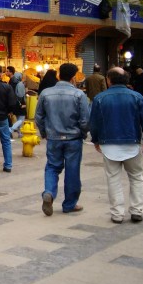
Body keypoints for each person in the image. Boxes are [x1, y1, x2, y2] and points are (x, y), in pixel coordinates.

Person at [89, 67, 143, 224]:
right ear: (127, 80)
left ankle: (117, 213)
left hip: (108, 144)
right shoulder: (136, 97)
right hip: (132, 143)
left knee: (113, 179)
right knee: (137, 177)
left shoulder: (99, 98)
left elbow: (94, 123)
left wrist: (96, 140)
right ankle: (137, 210)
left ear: (108, 80)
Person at [34, 63, 89, 216]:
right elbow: (85, 119)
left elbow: (38, 117)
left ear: (59, 75)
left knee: (52, 166)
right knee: (72, 170)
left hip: (53, 137)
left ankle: (49, 192)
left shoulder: (46, 93)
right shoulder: (79, 95)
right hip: (73, 138)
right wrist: (83, 133)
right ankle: (69, 204)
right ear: (73, 78)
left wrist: (45, 132)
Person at [5, 67, 26, 136]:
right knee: (21, 119)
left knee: (18, 118)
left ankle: (20, 133)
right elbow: (21, 95)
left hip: (13, 102)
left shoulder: (10, 82)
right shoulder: (20, 84)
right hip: (19, 103)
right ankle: (11, 129)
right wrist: (23, 104)